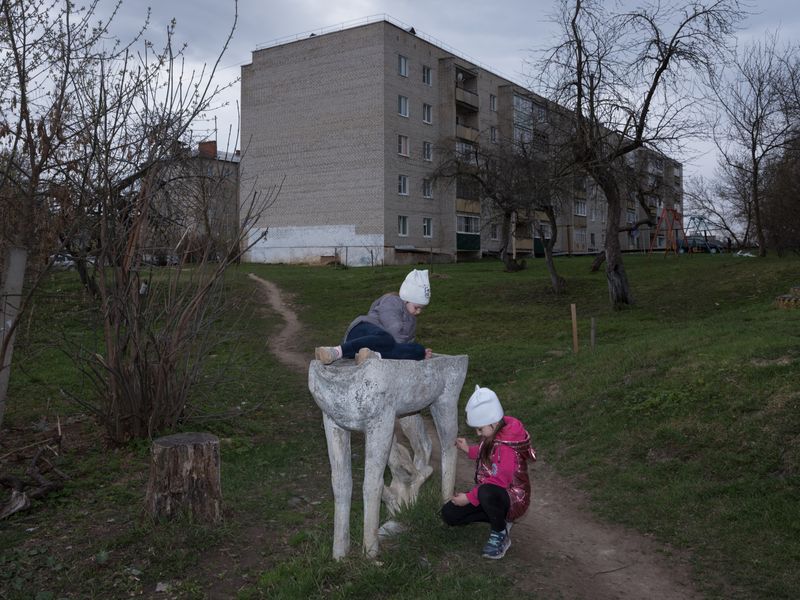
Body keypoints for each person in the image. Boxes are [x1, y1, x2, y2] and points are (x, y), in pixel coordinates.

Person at [441, 385, 536, 560]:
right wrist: (468, 449)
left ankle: (500, 534)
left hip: (513, 498)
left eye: (480, 429)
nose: (478, 433)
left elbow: (499, 481)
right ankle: (499, 519)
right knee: (449, 514)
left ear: (493, 423)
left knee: (485, 492)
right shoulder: (495, 432)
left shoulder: (507, 447)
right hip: (493, 494)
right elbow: (486, 450)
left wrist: (469, 498)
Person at [314, 269, 433, 365]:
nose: (419, 312)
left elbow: (406, 342)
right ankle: (335, 352)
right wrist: (404, 348)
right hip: (362, 332)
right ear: (406, 299)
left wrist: (416, 351)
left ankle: (371, 356)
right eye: (416, 307)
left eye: (421, 309)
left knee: (418, 350)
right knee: (387, 339)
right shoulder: (392, 301)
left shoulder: (412, 321)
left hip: (374, 347)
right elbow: (394, 330)